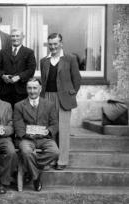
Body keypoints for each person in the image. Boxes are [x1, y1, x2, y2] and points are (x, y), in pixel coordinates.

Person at [40, 33, 81, 170]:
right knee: (50, 129)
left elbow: (77, 80)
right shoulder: (44, 61)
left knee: (63, 129)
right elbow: (44, 81)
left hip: (63, 98)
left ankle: (62, 160)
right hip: (47, 98)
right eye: (50, 44)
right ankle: (51, 158)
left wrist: (70, 93)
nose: (53, 47)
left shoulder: (70, 59)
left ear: (61, 44)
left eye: (55, 44)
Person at [13, 78, 59, 192]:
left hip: (44, 138)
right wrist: (27, 134)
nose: (32, 91)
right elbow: (18, 125)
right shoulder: (19, 105)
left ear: (40, 89)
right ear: (26, 89)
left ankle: (31, 169)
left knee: (55, 152)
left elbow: (55, 124)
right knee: (26, 151)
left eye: (35, 88)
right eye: (29, 88)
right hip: (27, 139)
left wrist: (48, 131)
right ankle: (36, 177)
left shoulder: (49, 105)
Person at [0, 28, 36, 107]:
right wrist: (3, 76)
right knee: (5, 116)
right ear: (10, 38)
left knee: (20, 115)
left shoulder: (29, 52)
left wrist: (19, 77)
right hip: (5, 91)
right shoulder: (3, 52)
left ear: (23, 37)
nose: (15, 38)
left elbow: (31, 70)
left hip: (21, 91)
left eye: (17, 36)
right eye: (13, 36)